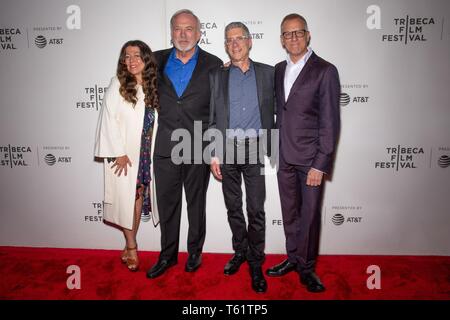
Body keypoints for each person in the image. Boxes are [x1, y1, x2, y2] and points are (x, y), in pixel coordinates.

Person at [265, 13, 340, 293]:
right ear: (281, 40)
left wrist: (320, 163)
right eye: (287, 33)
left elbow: (330, 122)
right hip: (284, 156)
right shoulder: (277, 70)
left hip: (310, 160)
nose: (293, 38)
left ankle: (307, 268)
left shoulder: (325, 70)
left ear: (308, 35)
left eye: (298, 32)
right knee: (291, 213)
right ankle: (293, 258)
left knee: (309, 216)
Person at [146, 9, 222, 279]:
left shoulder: (215, 64)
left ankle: (194, 253)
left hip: (197, 146)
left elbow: (219, 112)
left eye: (189, 28)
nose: (183, 34)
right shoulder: (155, 60)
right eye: (178, 28)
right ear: (171, 32)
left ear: (199, 33)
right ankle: (167, 256)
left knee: (196, 204)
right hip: (165, 146)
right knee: (168, 205)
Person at [209, 22, 275, 293]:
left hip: (257, 149)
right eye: (229, 40)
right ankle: (241, 251)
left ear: (250, 41)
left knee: (256, 209)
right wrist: (212, 153)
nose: (234, 43)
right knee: (233, 207)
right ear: (225, 46)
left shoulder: (269, 73)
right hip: (226, 150)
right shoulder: (217, 76)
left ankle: (256, 262)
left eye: (239, 38)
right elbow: (212, 116)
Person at [94, 40, 159, 272]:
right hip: (124, 155)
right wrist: (117, 153)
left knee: (137, 196)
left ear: (146, 59)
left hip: (145, 153)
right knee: (126, 200)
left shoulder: (153, 86)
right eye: (127, 56)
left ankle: (129, 243)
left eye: (137, 55)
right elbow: (108, 119)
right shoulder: (118, 84)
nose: (131, 61)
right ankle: (132, 246)